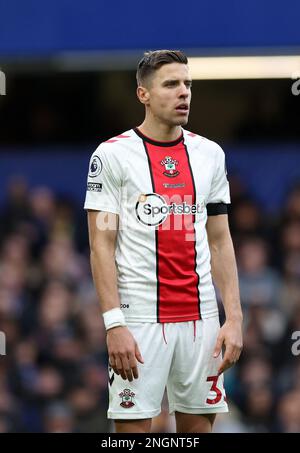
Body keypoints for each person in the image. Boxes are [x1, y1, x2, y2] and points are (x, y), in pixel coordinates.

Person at [84, 50, 243, 433]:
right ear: (144, 95)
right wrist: (113, 324)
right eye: (171, 84)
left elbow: (220, 240)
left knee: (197, 430)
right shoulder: (112, 156)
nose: (183, 92)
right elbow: (101, 245)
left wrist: (234, 317)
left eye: (187, 84)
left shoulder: (209, 155)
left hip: (201, 320)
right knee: (134, 431)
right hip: (138, 320)